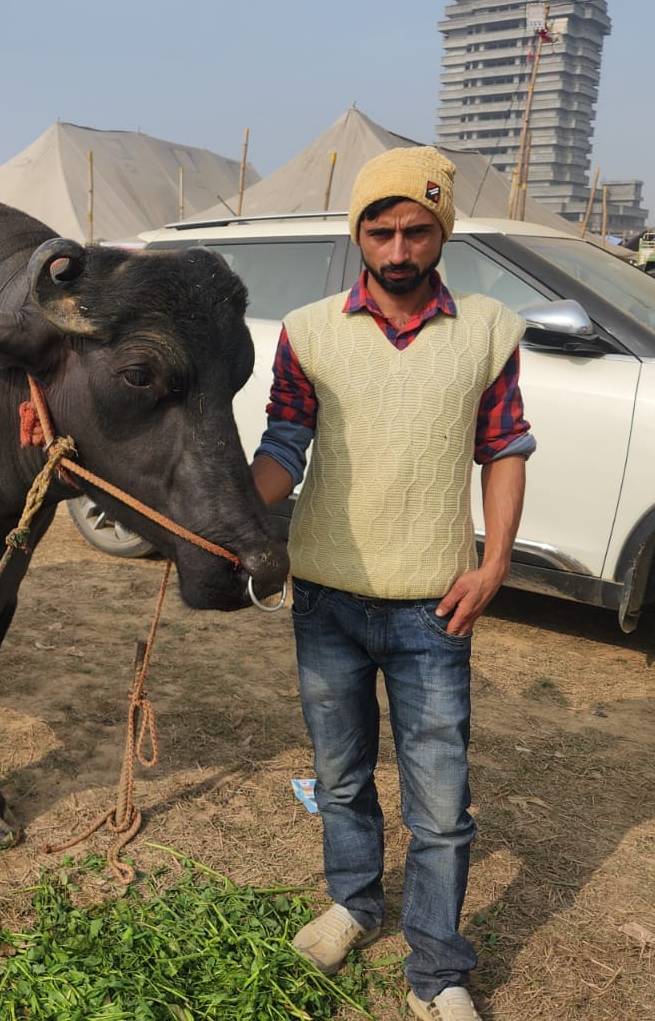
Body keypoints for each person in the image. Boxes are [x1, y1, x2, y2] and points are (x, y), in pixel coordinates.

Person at [251, 146, 533, 1021]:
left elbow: (506, 449)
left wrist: (493, 565)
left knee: (441, 804)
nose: (399, 247)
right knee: (340, 776)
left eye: (417, 229)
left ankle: (439, 970)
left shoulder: (487, 329)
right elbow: (284, 445)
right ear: (360, 235)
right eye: (381, 229)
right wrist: (229, 506)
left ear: (440, 232)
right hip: (326, 599)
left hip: (434, 606)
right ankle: (352, 904)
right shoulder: (308, 331)